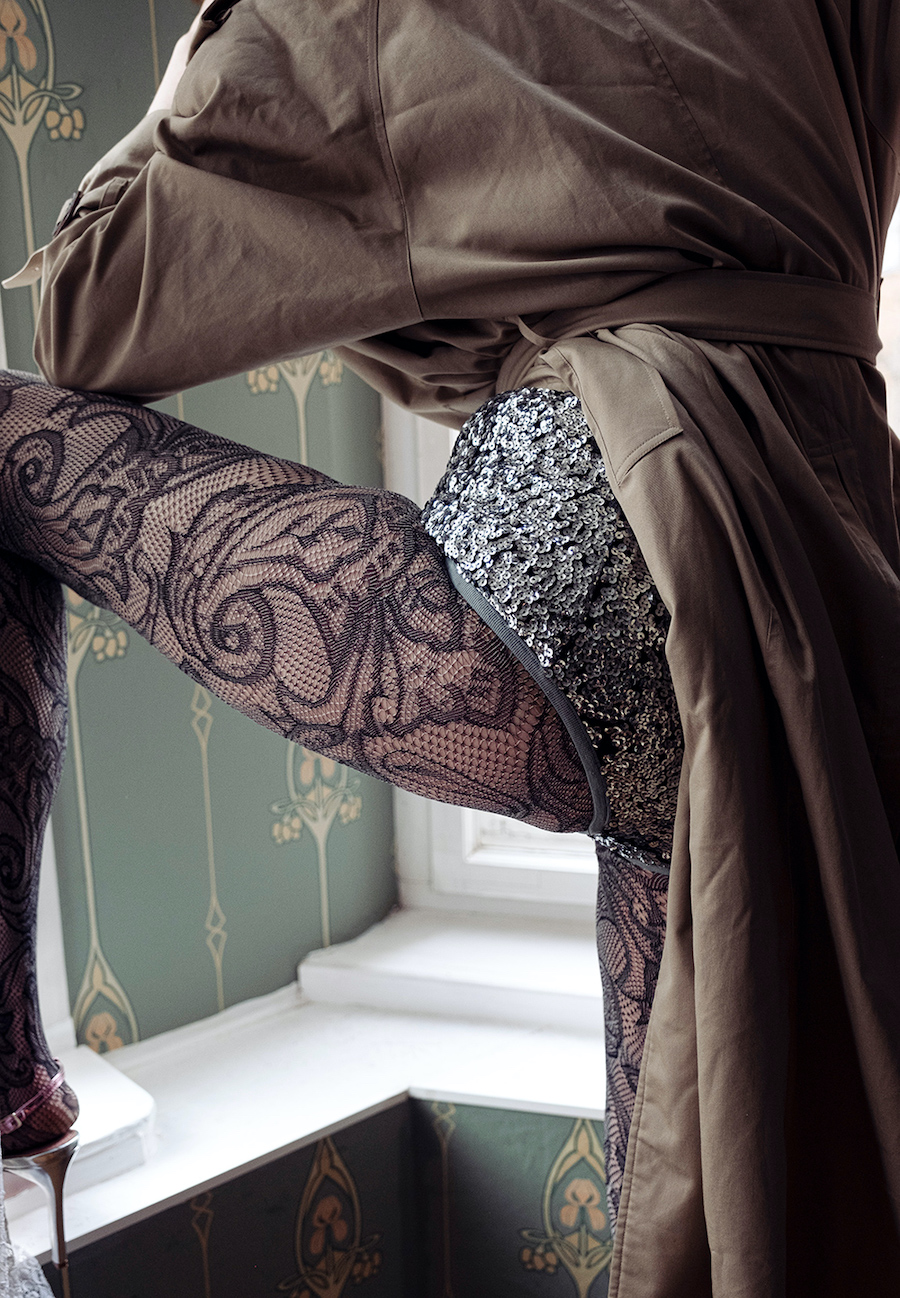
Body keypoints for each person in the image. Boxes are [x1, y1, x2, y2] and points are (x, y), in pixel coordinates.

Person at [2, 1, 900, 1294]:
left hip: (601, 526)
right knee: (711, 1207)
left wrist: (192, 66)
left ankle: (8, 1069)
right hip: (820, 569)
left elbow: (93, 312)